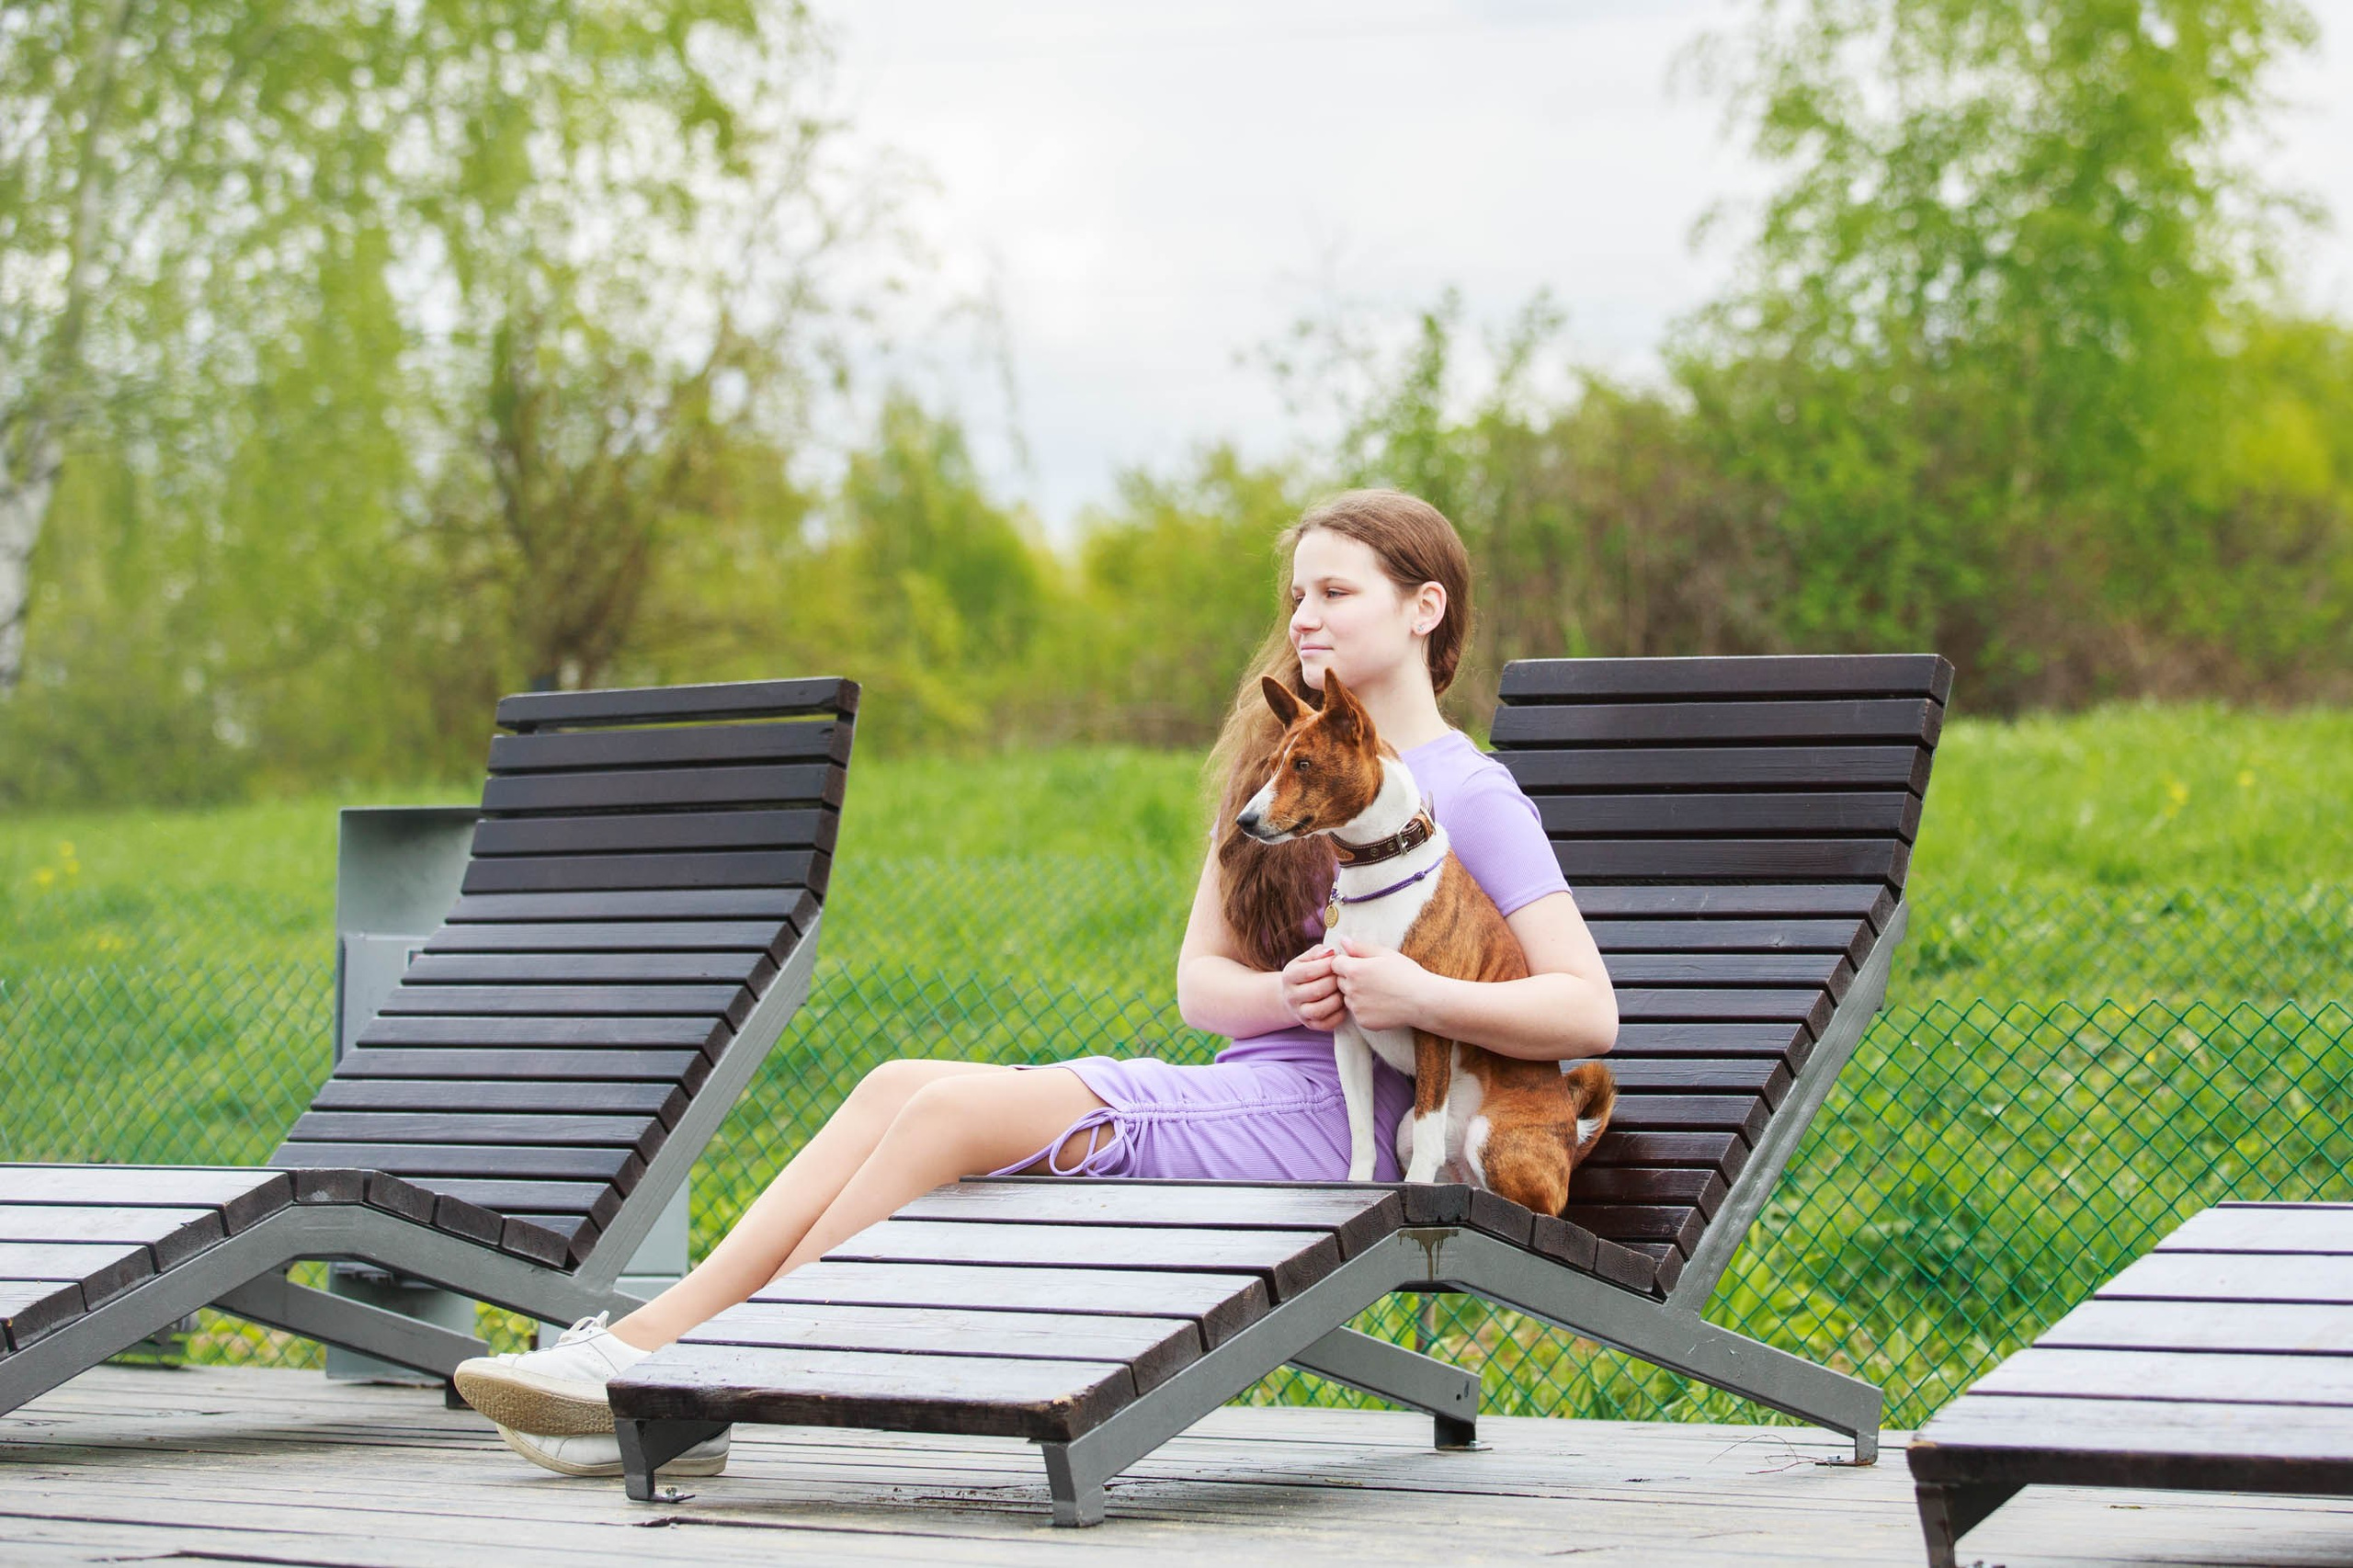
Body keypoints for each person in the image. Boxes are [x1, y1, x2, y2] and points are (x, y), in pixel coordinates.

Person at [453, 487, 1619, 1477]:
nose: (1304, 616)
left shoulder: (1469, 796)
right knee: (896, 1081)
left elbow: (1586, 1010)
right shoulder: (1277, 775)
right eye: (1297, 595)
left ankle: (695, 1377)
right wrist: (1290, 994)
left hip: (1346, 1129)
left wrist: (1413, 995)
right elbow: (1201, 987)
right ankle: (655, 1346)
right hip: (1251, 1093)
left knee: (954, 1109)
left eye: (1336, 591)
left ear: (1427, 610)